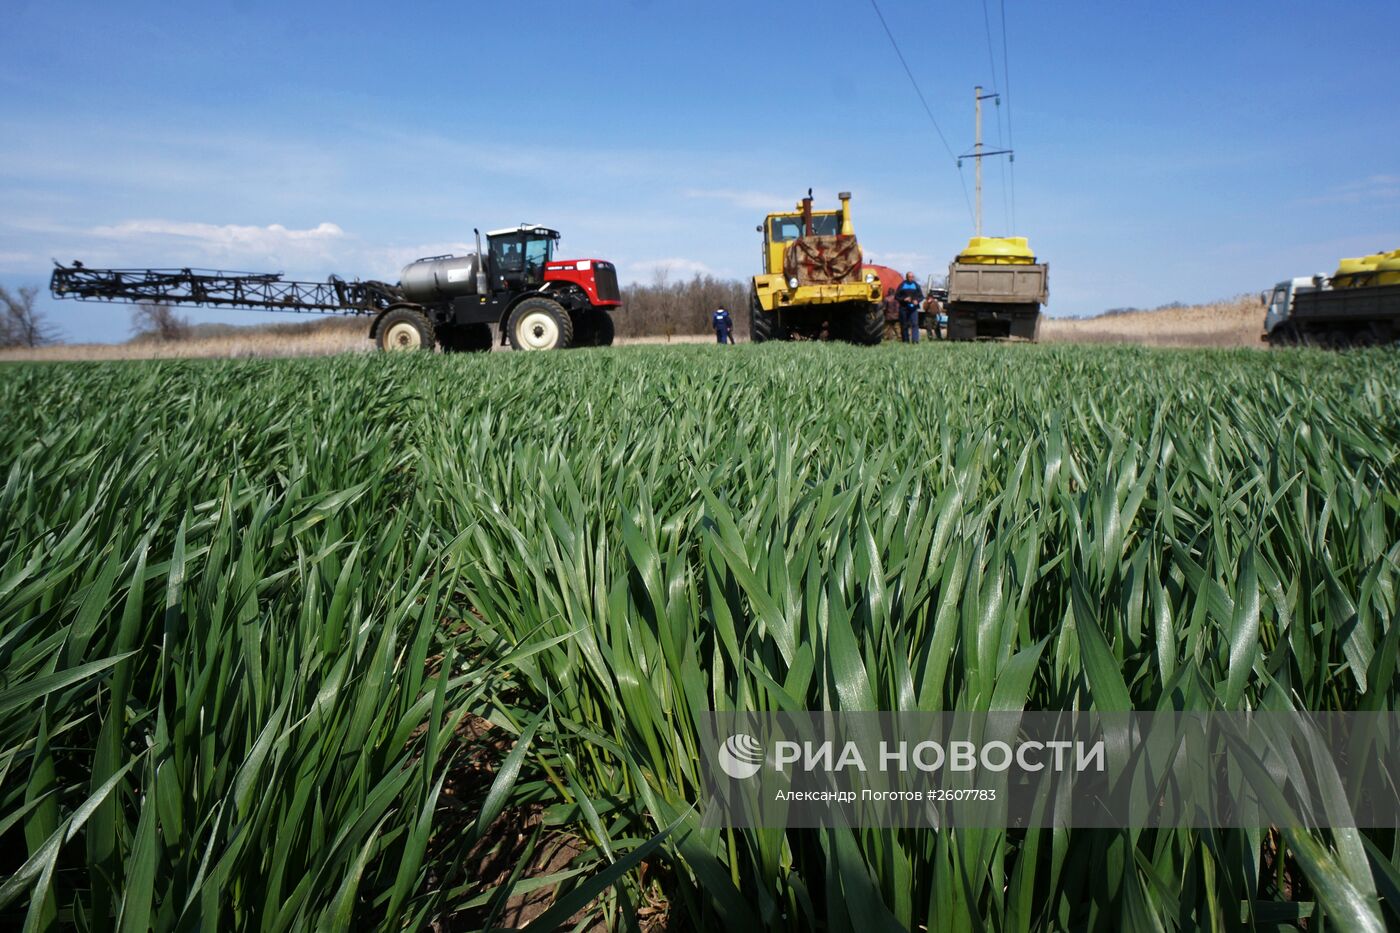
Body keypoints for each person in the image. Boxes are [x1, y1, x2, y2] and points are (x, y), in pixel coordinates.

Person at [894, 272, 924, 343]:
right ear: (906, 277)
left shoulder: (916, 285)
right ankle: (905, 341)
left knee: (915, 324)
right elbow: (896, 296)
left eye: (912, 277)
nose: (911, 278)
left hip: (913, 308)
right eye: (909, 277)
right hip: (904, 308)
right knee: (904, 325)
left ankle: (915, 341)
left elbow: (921, 296)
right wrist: (904, 299)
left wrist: (917, 301)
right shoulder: (902, 285)